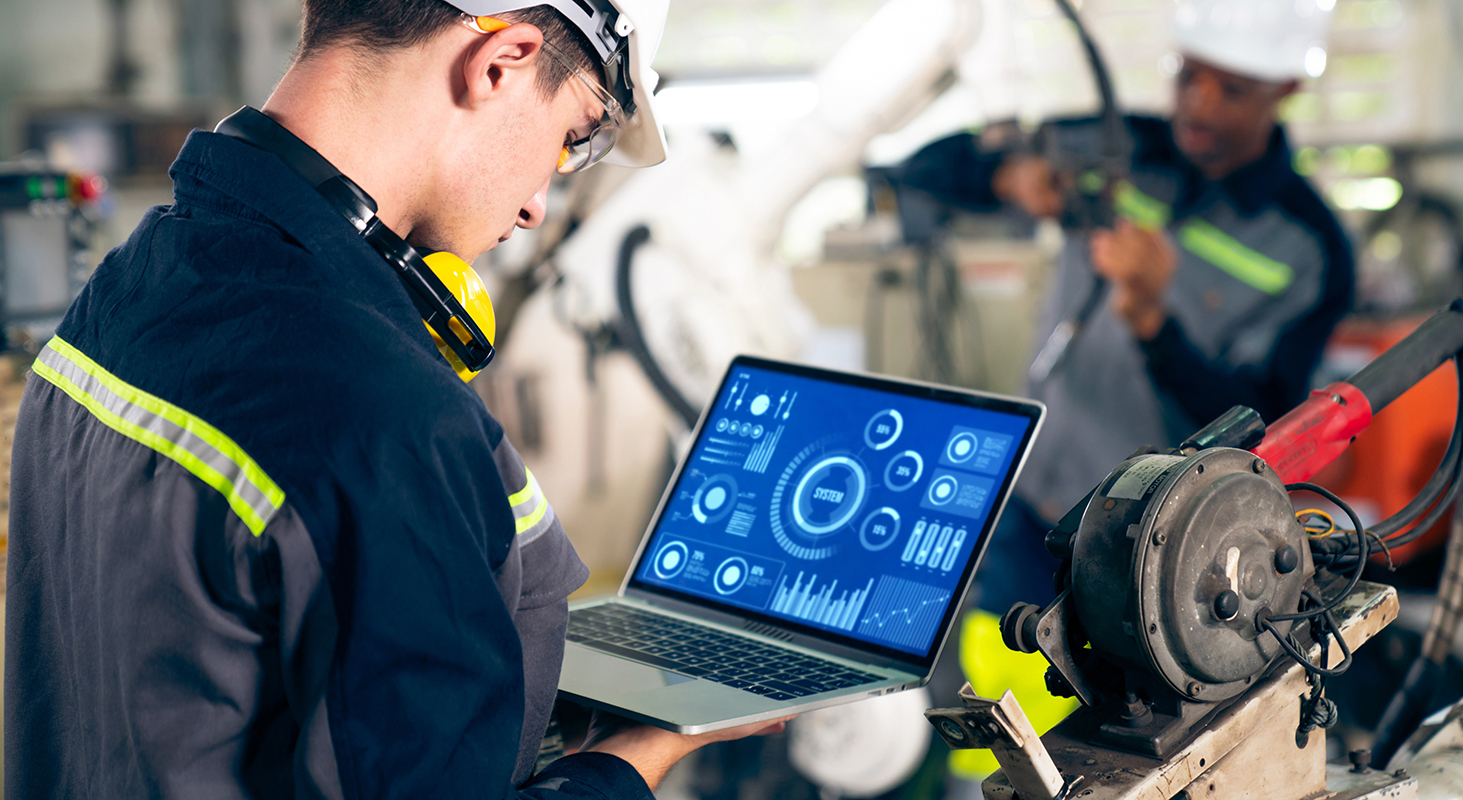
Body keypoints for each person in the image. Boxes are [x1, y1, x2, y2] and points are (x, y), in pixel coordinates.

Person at [5, 0, 787, 797]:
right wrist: (639, 755)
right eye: (570, 137)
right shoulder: (381, 415)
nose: (534, 206)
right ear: (501, 64)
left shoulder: (123, 293)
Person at [891, 1, 1356, 788]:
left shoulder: (1310, 246)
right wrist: (1011, 176)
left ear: (1284, 90)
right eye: (1187, 77)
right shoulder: (1119, 147)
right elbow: (923, 170)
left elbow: (1266, 432)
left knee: (1119, 752)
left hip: (1153, 559)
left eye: (1231, 90)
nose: (1197, 105)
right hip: (1028, 505)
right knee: (981, 720)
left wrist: (1152, 322)